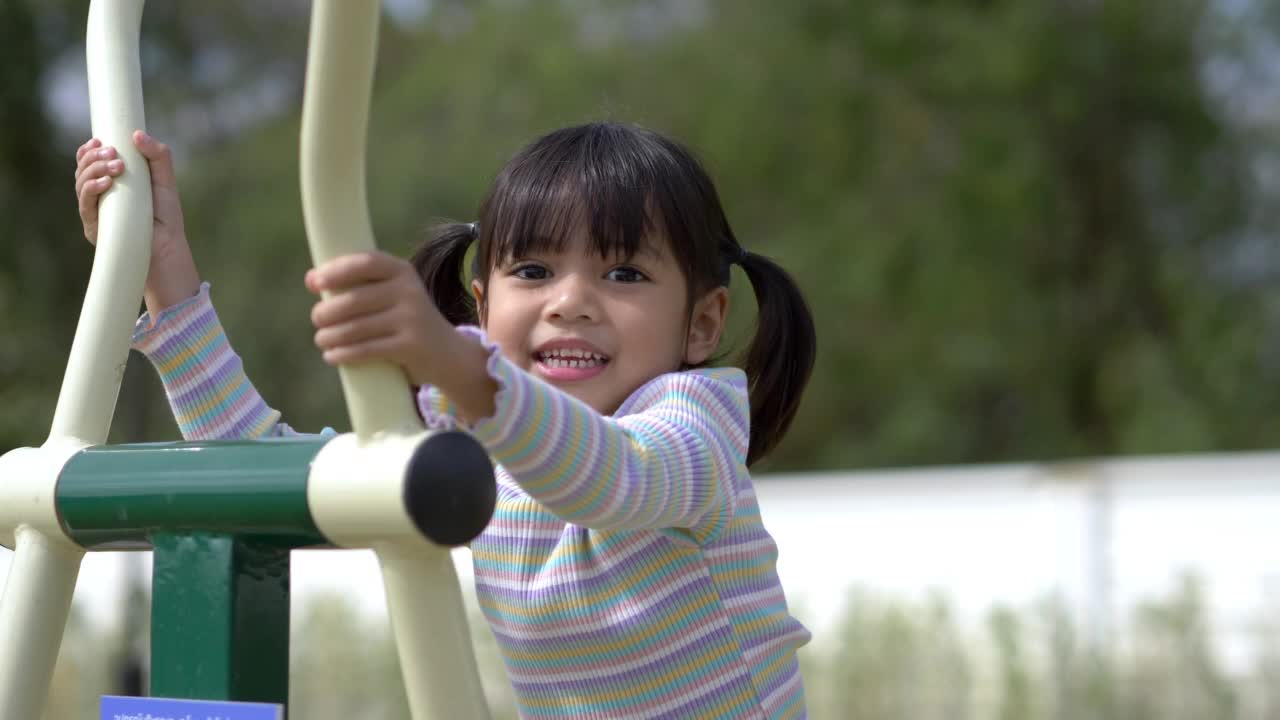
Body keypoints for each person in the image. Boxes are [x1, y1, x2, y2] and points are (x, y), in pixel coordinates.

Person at [75, 122, 817, 718]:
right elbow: (263, 470)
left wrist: (456, 364)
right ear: (483, 303)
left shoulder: (695, 426)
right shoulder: (472, 444)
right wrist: (161, 275)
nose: (572, 301)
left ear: (702, 323)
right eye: (532, 271)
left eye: (625, 274)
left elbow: (613, 479)